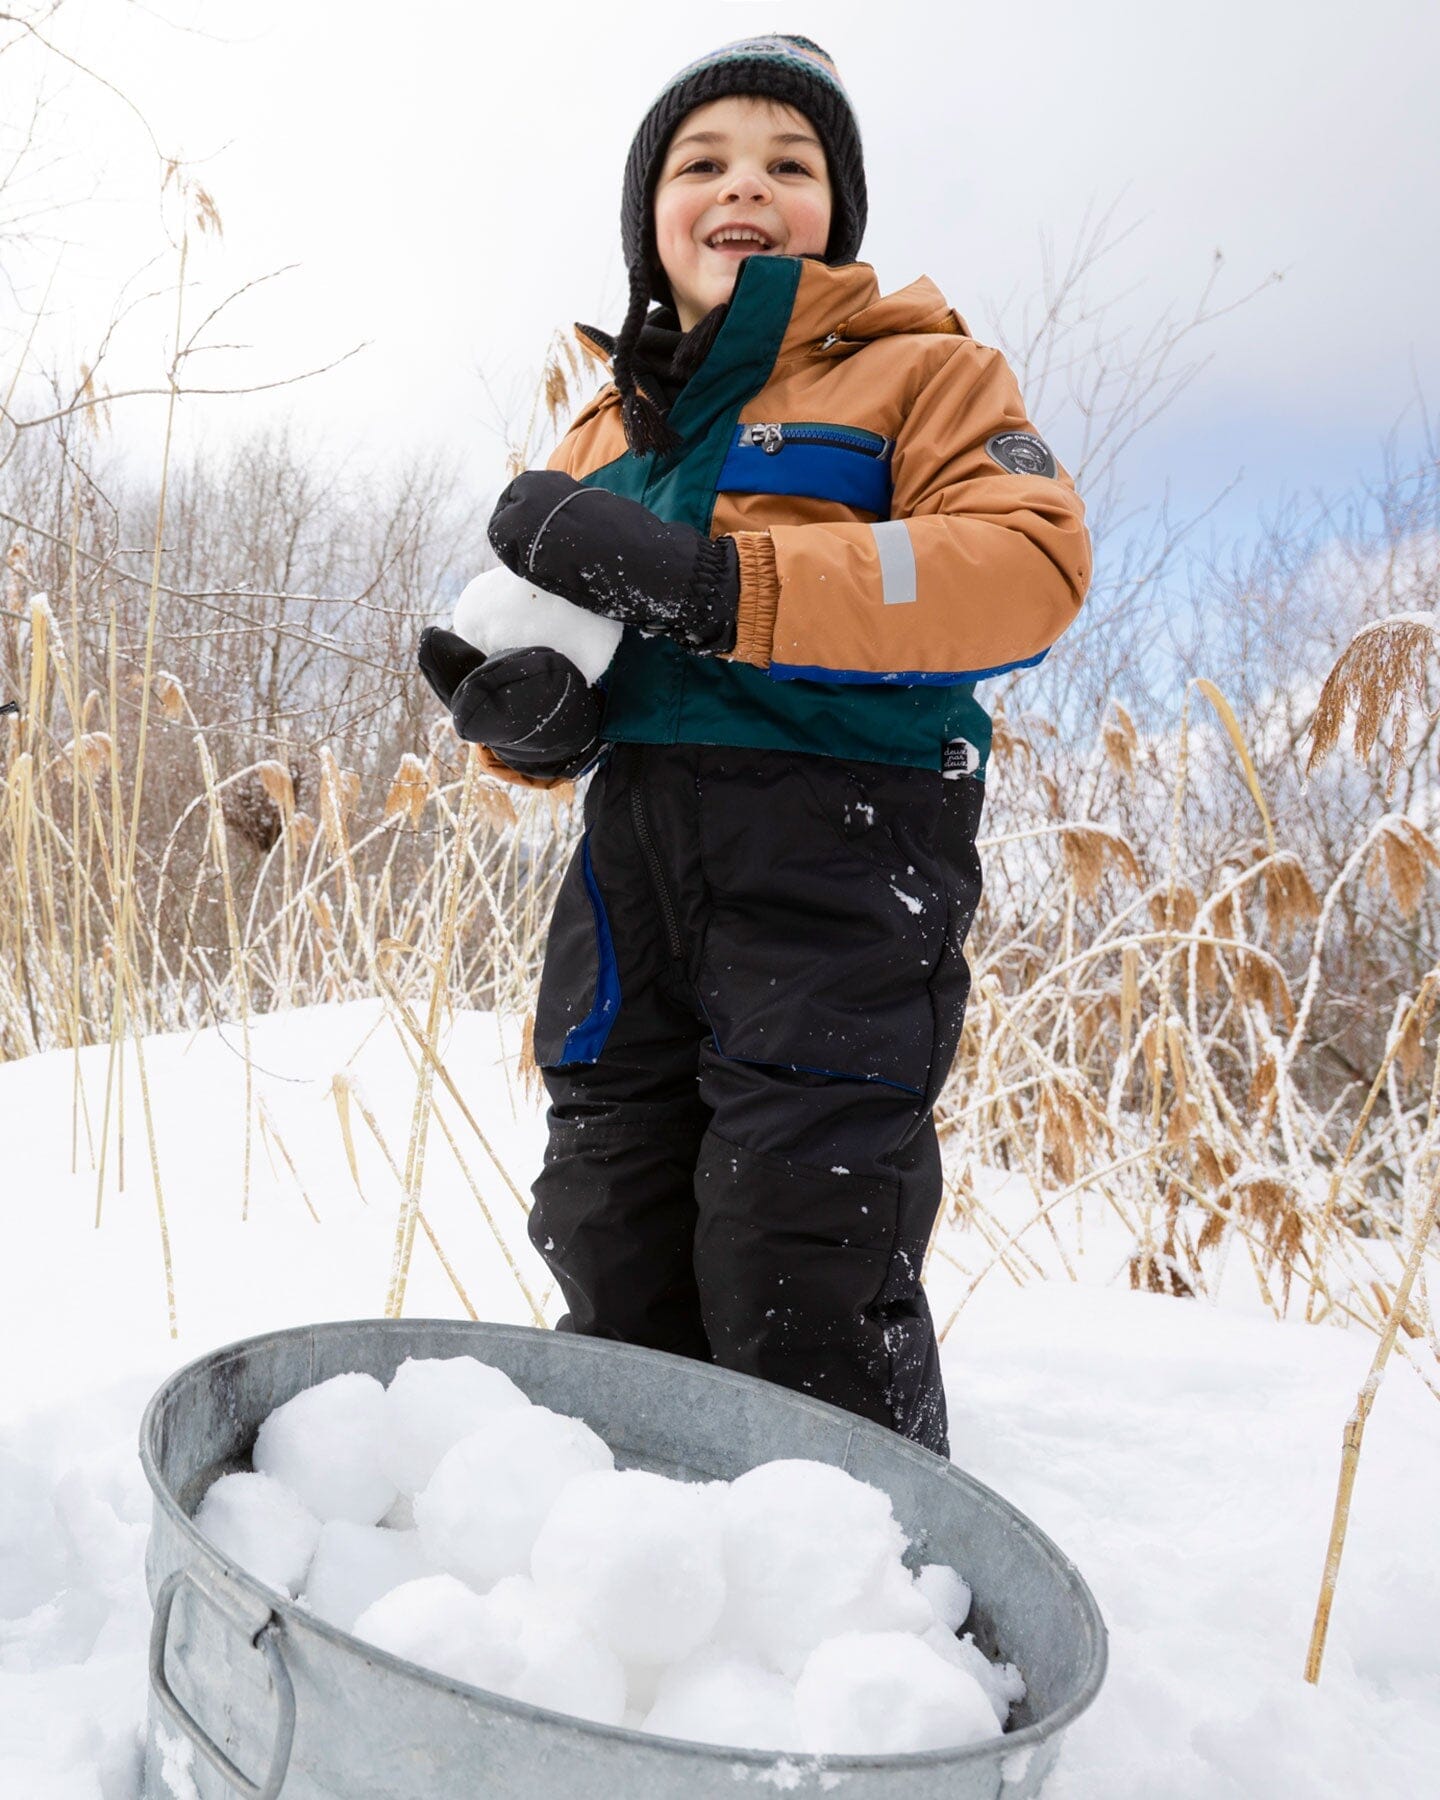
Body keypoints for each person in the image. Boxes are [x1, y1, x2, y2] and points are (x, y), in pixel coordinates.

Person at [419, 34, 1090, 1457]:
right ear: (648, 211)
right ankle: (633, 1582)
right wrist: (529, 726)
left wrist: (724, 589)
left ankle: (870, 1607)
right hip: (632, 876)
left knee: (798, 1243)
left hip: (841, 853)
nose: (746, 187)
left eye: (790, 165)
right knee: (610, 1222)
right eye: (703, 162)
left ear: (834, 210)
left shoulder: (925, 373)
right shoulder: (611, 423)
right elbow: (577, 669)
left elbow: (1026, 568)